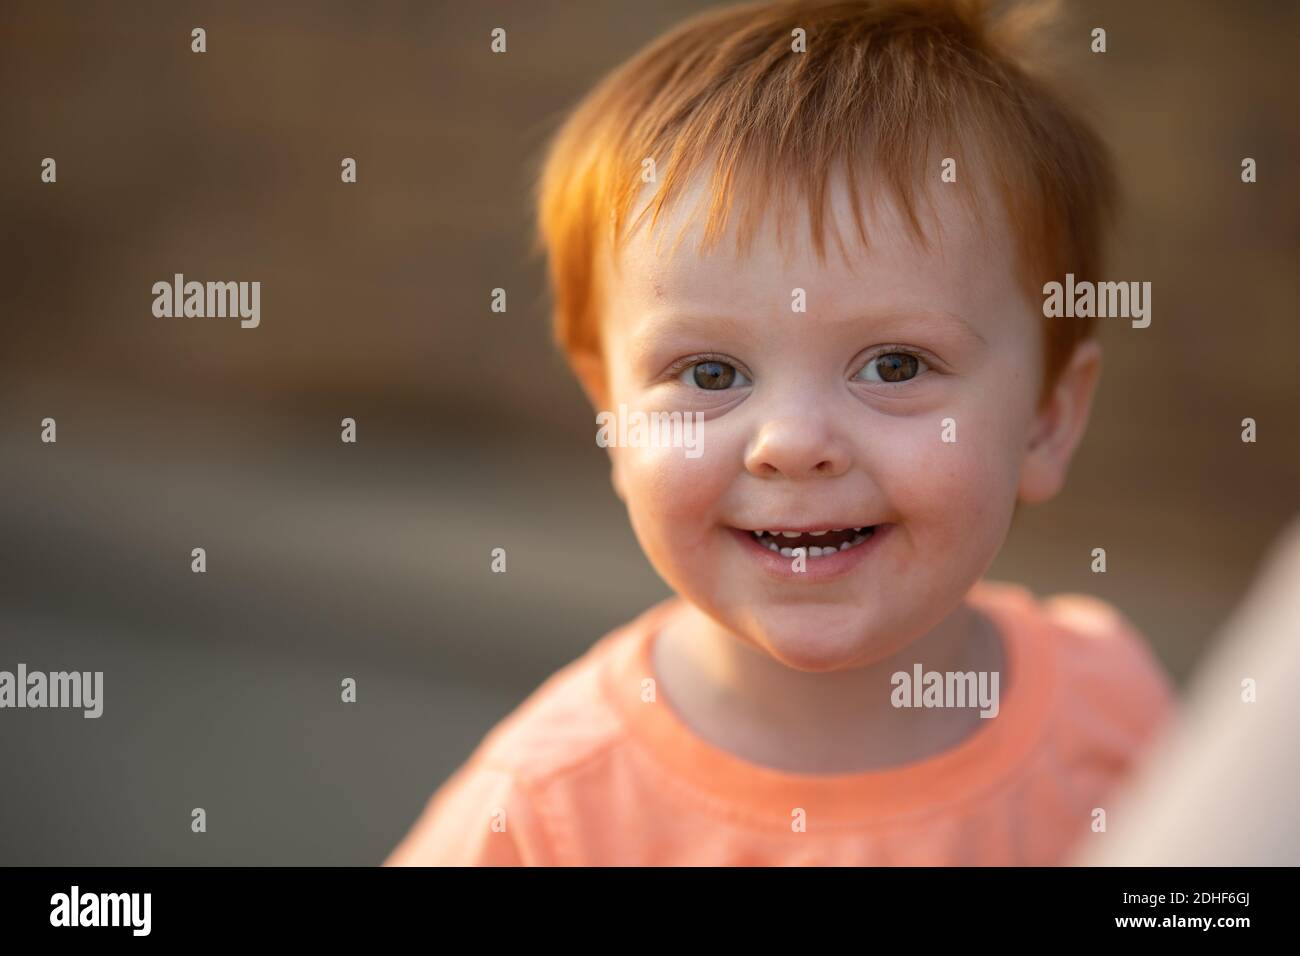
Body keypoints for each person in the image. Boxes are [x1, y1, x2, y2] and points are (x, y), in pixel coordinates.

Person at [386, 0, 1176, 866]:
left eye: (895, 366)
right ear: (612, 417)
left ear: (1048, 420)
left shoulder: (1112, 716)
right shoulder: (546, 818)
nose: (793, 443)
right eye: (712, 375)